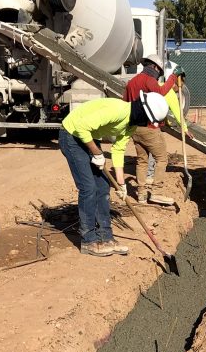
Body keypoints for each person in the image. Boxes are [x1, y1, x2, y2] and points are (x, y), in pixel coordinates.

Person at [59, 91, 170, 257]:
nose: (147, 124)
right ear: (142, 112)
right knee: (88, 188)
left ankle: (106, 237)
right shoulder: (118, 111)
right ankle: (88, 241)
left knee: (103, 186)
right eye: (147, 119)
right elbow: (81, 126)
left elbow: (118, 149)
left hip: (89, 136)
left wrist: (121, 184)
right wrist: (97, 153)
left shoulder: (131, 125)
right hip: (72, 135)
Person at [122, 53, 191, 205]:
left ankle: (141, 195)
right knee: (162, 158)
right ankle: (156, 192)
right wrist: (173, 76)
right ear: (154, 67)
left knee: (142, 161)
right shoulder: (149, 80)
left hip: (135, 128)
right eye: (159, 71)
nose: (158, 74)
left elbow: (125, 102)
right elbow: (160, 92)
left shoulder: (132, 82)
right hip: (149, 127)